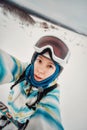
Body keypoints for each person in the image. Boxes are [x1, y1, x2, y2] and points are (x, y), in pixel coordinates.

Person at [0, 36, 70, 130]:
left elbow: (48, 120)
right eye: (39, 61)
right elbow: (5, 64)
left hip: (23, 121)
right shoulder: (24, 71)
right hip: (10, 111)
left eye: (50, 66)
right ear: (34, 60)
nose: (40, 70)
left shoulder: (50, 93)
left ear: (56, 72)